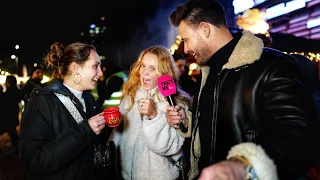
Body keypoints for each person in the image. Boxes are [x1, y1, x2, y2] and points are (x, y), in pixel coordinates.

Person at [169, 0, 320, 180]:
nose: (186, 49)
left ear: (205, 29)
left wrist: (245, 167)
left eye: (186, 40)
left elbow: (302, 138)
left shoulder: (270, 65)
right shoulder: (205, 73)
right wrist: (188, 121)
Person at [19, 42, 112, 180]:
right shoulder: (41, 102)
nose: (101, 72)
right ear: (76, 68)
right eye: (95, 66)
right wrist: (85, 130)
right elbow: (33, 160)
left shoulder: (89, 99)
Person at [110, 45, 192, 179]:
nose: (145, 72)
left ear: (163, 73)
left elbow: (167, 148)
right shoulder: (130, 97)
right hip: (127, 175)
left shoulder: (175, 105)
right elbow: (118, 135)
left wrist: (153, 115)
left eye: (152, 68)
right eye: (143, 66)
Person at [1, 75, 22, 152]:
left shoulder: (8, 92)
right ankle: (15, 145)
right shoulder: (17, 91)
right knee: (12, 130)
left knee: (11, 130)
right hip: (13, 114)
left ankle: (16, 146)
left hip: (8, 115)